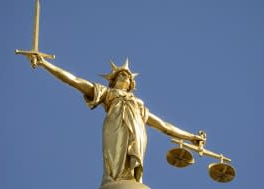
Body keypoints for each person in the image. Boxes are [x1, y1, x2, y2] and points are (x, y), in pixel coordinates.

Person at [28, 55, 204, 186]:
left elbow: (164, 126)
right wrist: (45, 63)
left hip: (137, 132)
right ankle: (114, 180)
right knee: (115, 164)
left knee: (133, 167)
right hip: (115, 127)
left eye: (128, 77)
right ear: (113, 80)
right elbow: (74, 81)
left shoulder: (139, 104)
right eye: (121, 75)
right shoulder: (107, 93)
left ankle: (132, 180)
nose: (125, 78)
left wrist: (191, 137)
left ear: (131, 84)